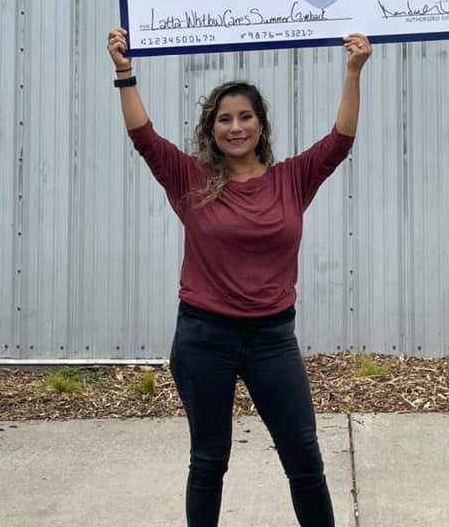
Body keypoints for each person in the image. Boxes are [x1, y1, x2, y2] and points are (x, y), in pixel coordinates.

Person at [106, 27, 372, 527]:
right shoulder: (190, 179)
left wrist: (353, 72)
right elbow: (144, 137)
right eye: (224, 119)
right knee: (209, 461)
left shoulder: (292, 178)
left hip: (273, 339)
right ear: (212, 130)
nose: (235, 127)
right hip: (205, 336)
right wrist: (125, 71)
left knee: (304, 459)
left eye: (244, 116)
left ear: (260, 124)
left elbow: (340, 141)